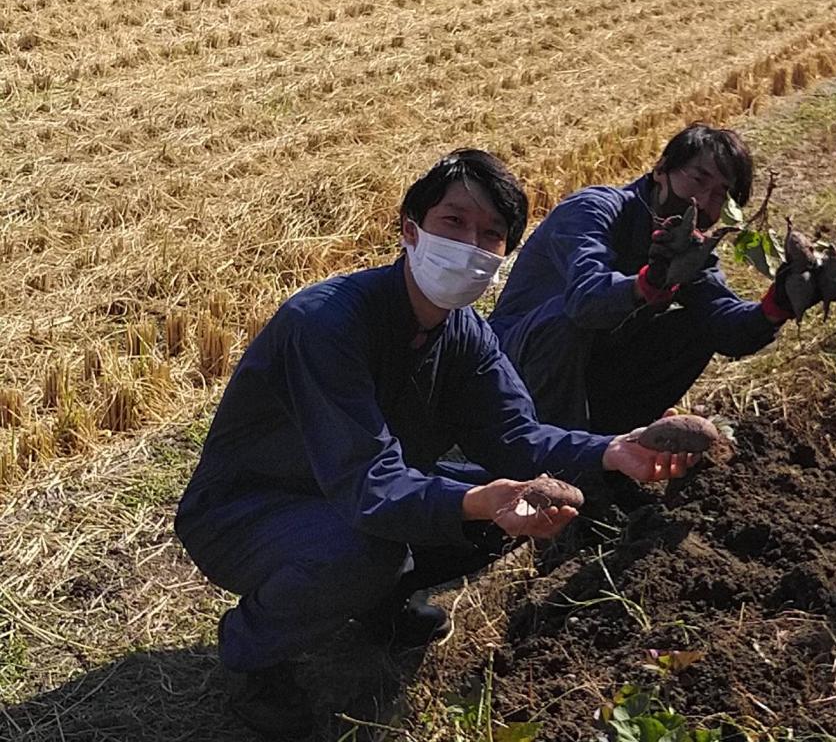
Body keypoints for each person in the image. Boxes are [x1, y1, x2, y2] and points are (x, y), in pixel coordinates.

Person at [174, 150, 692, 738]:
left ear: (503, 256)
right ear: (410, 230)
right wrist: (477, 500)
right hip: (246, 513)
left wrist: (611, 449)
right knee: (374, 549)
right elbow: (368, 482)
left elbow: (517, 436)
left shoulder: (464, 333)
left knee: (504, 512)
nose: (471, 245)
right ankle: (252, 657)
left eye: (491, 234)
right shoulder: (326, 324)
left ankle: (377, 607)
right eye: (454, 222)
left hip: (344, 501)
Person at [489, 123, 803, 434]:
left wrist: (777, 305)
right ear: (661, 169)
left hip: (586, 368)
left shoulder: (688, 251)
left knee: (697, 327)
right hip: (511, 363)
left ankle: (609, 446)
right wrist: (647, 283)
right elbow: (585, 302)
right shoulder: (593, 211)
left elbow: (725, 326)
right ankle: (561, 461)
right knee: (565, 321)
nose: (704, 202)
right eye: (698, 180)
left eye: (721, 194)